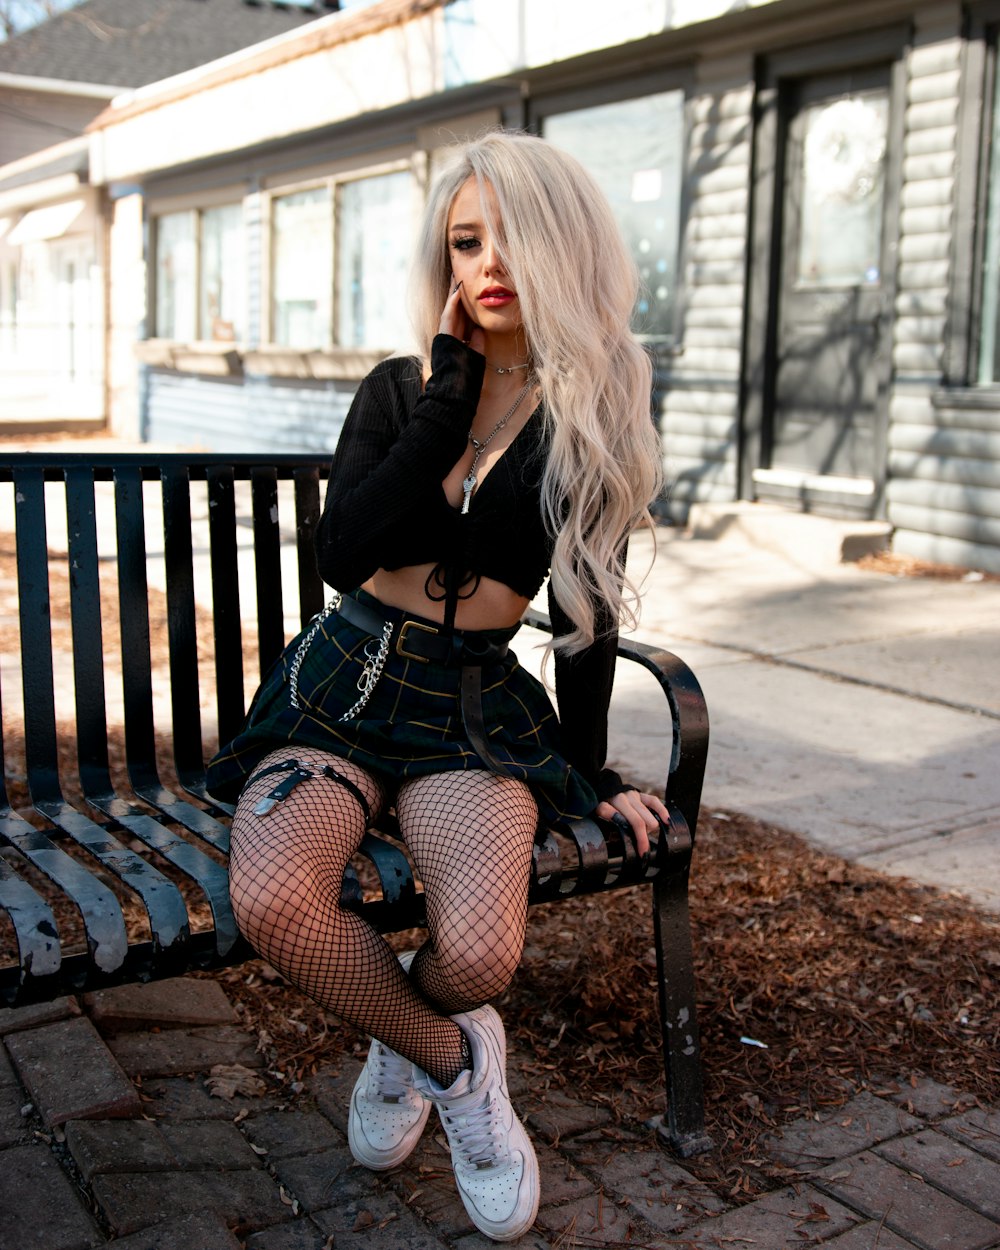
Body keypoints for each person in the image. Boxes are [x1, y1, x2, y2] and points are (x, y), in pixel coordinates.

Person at [206, 129, 669, 1243]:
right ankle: (457, 1064)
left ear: (567, 249)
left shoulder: (590, 411)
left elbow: (584, 612)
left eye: (513, 237)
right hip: (342, 692)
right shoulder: (403, 387)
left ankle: (400, 1029)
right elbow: (340, 548)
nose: (486, 263)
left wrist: (592, 767)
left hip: (470, 709)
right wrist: (446, 400)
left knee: (478, 949)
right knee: (274, 898)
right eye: (466, 240)